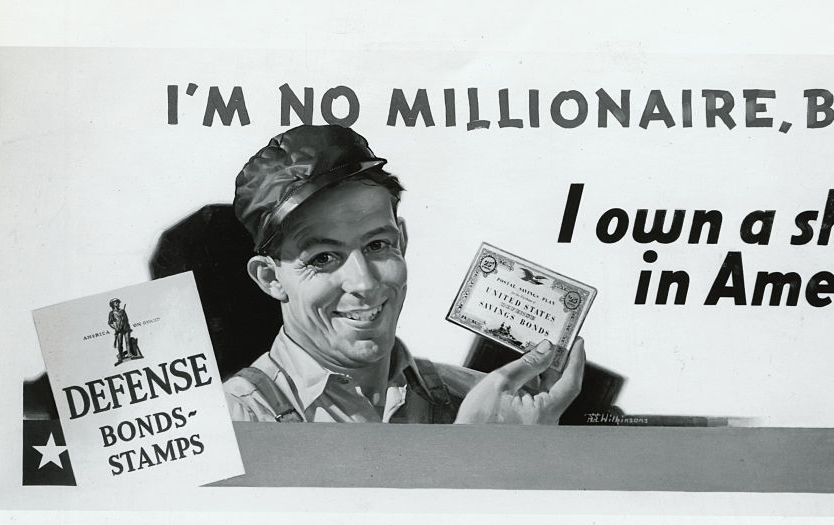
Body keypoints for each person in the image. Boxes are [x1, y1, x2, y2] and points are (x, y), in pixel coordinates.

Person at [223, 125, 585, 424]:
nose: (364, 283)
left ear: (403, 241)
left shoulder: (482, 398)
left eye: (377, 245)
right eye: (323, 258)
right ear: (269, 278)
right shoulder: (231, 420)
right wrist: (479, 453)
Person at [107, 298, 132, 363]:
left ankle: (129, 354)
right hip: (118, 330)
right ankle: (121, 356)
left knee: (128, 341)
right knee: (120, 343)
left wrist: (128, 327)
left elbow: (127, 319)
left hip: (125, 328)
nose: (118, 304)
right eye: (116, 302)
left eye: (118, 302)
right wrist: (115, 328)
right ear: (113, 304)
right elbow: (110, 323)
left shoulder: (122, 311)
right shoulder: (111, 313)